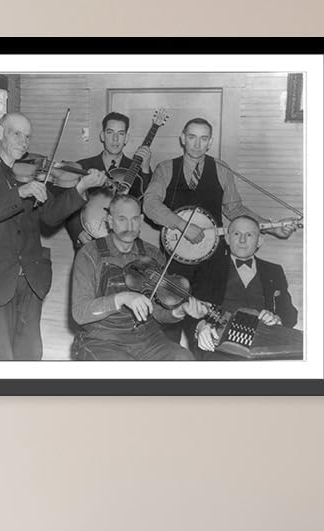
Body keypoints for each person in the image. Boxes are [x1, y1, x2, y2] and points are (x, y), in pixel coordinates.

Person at [0, 112, 107, 360]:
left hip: (30, 281)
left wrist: (80, 187)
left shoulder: (33, 174)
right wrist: (19, 194)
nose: (23, 141)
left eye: (27, 136)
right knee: (0, 358)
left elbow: (49, 216)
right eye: (16, 133)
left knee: (30, 354)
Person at [141, 116, 272, 339]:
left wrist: (269, 226)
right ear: (182, 138)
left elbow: (234, 209)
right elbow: (150, 204)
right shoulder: (166, 168)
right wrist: (182, 226)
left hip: (212, 263)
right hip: (175, 260)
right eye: (191, 137)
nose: (197, 144)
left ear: (210, 141)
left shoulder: (221, 169)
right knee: (169, 324)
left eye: (203, 139)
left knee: (206, 323)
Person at [71, 195, 207, 361]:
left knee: (183, 359)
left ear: (141, 219)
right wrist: (121, 298)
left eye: (135, 219)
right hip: (102, 340)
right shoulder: (90, 254)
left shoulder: (152, 254)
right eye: (122, 219)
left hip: (147, 340)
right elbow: (79, 312)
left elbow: (157, 313)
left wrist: (178, 312)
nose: (129, 226)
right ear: (109, 220)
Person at [192, 215, 299, 358]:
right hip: (219, 346)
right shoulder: (207, 268)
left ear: (259, 241)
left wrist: (277, 319)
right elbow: (191, 309)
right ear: (227, 239)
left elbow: (290, 312)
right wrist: (200, 327)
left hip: (263, 345)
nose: (242, 240)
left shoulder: (274, 271)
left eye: (249, 235)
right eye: (237, 234)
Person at [63, 112, 152, 252]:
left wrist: (145, 169)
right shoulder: (83, 166)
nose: (115, 139)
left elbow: (147, 203)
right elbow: (68, 204)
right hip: (89, 240)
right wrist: (78, 231)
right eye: (110, 132)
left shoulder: (137, 170)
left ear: (126, 138)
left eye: (121, 133)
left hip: (125, 243)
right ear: (102, 135)